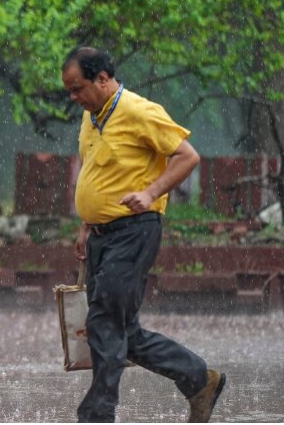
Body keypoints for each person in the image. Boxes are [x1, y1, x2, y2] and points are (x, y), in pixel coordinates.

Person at [61, 46, 225, 423]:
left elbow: (188, 156)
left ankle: (97, 414)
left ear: (103, 79)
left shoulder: (139, 111)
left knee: (102, 320)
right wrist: (86, 225)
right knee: (123, 331)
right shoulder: (91, 117)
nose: (74, 98)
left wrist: (151, 192)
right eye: (69, 91)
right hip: (102, 235)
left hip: (135, 231)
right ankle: (200, 380)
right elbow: (94, 172)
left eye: (77, 88)